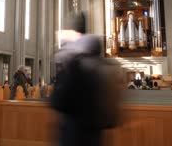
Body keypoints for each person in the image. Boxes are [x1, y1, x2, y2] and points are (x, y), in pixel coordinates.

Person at [51, 12, 121, 146]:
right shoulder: (105, 66)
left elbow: (58, 101)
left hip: (74, 134)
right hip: (96, 136)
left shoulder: (76, 65)